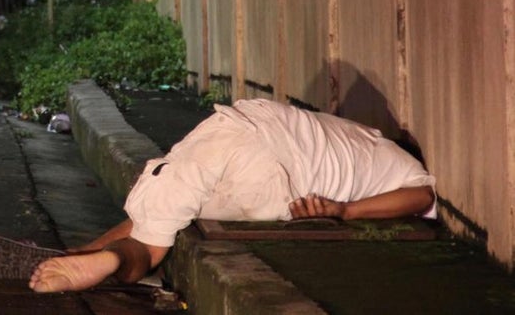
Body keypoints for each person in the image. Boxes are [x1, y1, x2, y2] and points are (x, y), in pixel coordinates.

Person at [25, 99, 436, 293]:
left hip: (238, 127)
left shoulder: (361, 138)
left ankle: (102, 255)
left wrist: (343, 207)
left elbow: (417, 195)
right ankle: (103, 256)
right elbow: (422, 196)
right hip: (262, 163)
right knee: (157, 229)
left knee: (163, 205)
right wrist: (345, 210)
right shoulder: (396, 163)